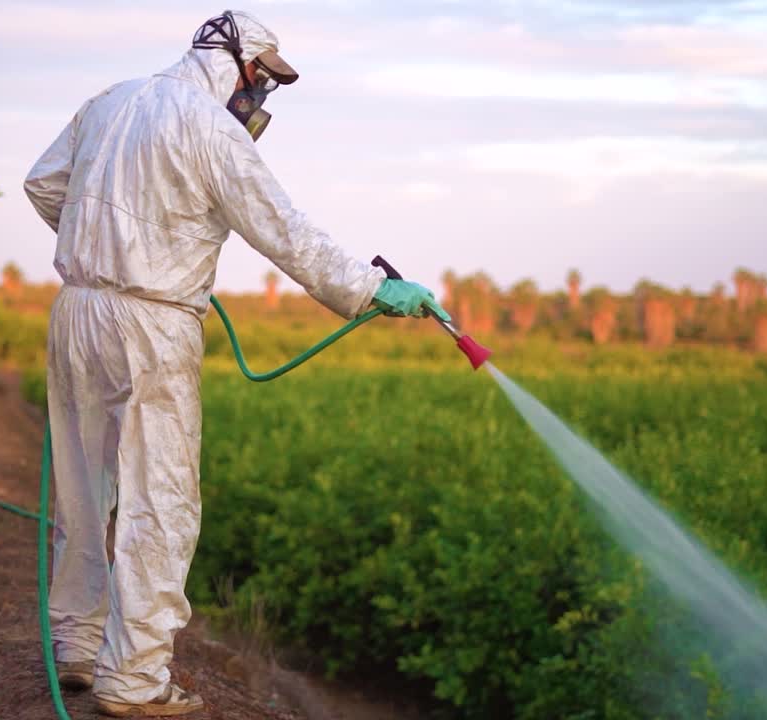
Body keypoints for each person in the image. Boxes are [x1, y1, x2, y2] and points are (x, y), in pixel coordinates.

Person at [24, 10, 449, 717]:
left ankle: (74, 644)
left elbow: (43, 187)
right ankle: (133, 681)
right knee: (161, 501)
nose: (262, 99)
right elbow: (285, 230)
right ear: (239, 68)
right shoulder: (209, 129)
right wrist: (373, 288)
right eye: (264, 82)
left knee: (81, 482)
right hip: (152, 323)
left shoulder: (111, 101)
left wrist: (107, 245)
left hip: (76, 309)